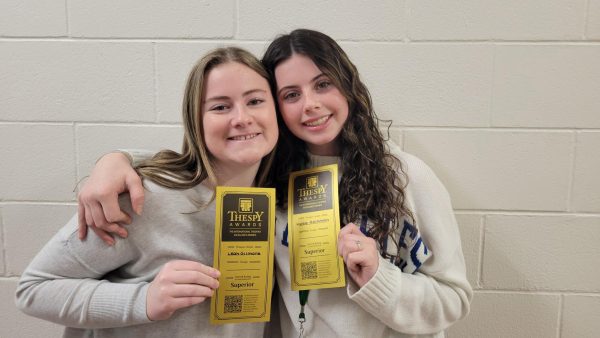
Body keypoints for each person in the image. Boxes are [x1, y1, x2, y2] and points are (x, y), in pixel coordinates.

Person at [76, 29, 472, 337]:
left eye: (322, 84)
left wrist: (378, 279)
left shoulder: (407, 176)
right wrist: (115, 160)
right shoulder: (269, 181)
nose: (310, 104)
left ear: (348, 85)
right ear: (274, 104)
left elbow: (453, 299)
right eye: (290, 94)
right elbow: (197, 161)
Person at [15, 47, 279, 338]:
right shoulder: (144, 196)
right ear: (196, 120)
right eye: (220, 107)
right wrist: (144, 300)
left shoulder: (283, 208)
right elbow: (34, 289)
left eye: (255, 101)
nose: (241, 118)